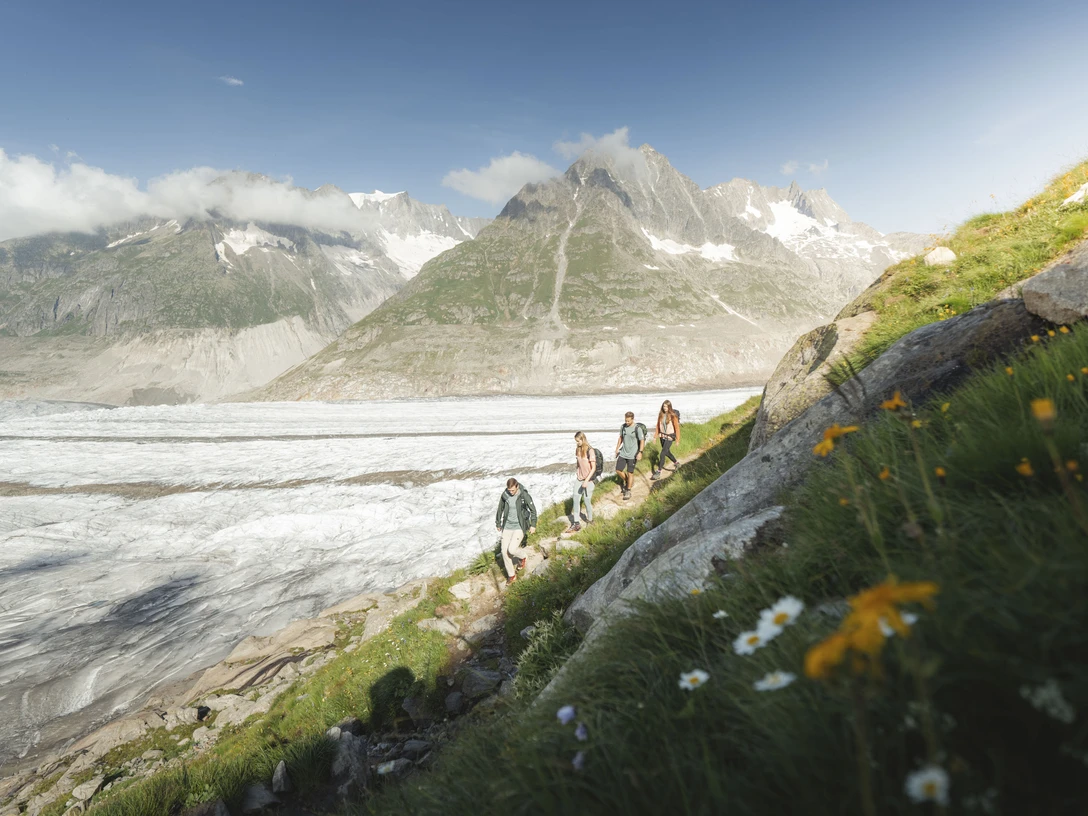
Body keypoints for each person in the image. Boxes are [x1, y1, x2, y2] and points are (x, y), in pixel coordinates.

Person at [494, 477, 537, 584]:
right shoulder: (505, 495)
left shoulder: (523, 495)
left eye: (513, 490)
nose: (511, 492)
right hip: (507, 526)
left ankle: (523, 557)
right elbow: (500, 509)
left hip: (519, 526)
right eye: (509, 490)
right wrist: (498, 523)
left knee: (511, 550)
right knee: (504, 552)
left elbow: (533, 510)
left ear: (517, 486)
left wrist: (533, 525)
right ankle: (511, 576)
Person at [567, 431, 596, 532]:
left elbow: (593, 468)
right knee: (576, 500)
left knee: (587, 501)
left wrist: (586, 480)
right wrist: (578, 473)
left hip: (589, 480)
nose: (577, 443)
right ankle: (576, 523)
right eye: (576, 441)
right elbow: (578, 463)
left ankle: (590, 520)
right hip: (579, 479)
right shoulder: (577, 450)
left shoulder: (590, 451)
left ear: (583, 439)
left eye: (578, 441)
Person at [614, 411, 645, 501]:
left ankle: (628, 490)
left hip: (633, 454)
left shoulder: (637, 428)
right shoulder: (623, 427)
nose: (626, 422)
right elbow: (621, 438)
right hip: (623, 452)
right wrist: (617, 449)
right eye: (625, 420)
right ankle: (628, 481)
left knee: (630, 472)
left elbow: (642, 441)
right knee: (618, 470)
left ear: (632, 419)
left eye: (628, 421)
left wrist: (640, 452)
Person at [652, 399, 681, 480]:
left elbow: (677, 428)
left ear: (669, 407)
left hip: (670, 437)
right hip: (662, 437)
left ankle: (658, 472)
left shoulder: (673, 416)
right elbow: (658, 426)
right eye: (664, 406)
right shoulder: (661, 415)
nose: (665, 408)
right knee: (667, 452)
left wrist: (677, 440)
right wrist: (655, 436)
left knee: (662, 454)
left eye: (666, 406)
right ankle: (677, 463)